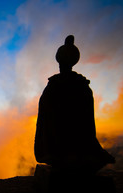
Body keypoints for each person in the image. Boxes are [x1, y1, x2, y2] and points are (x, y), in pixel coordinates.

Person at [34, 35, 114, 175]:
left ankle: (66, 157)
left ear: (60, 63)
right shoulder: (83, 87)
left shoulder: (53, 88)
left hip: (57, 147)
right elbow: (88, 124)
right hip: (79, 145)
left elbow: (44, 120)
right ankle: (79, 157)